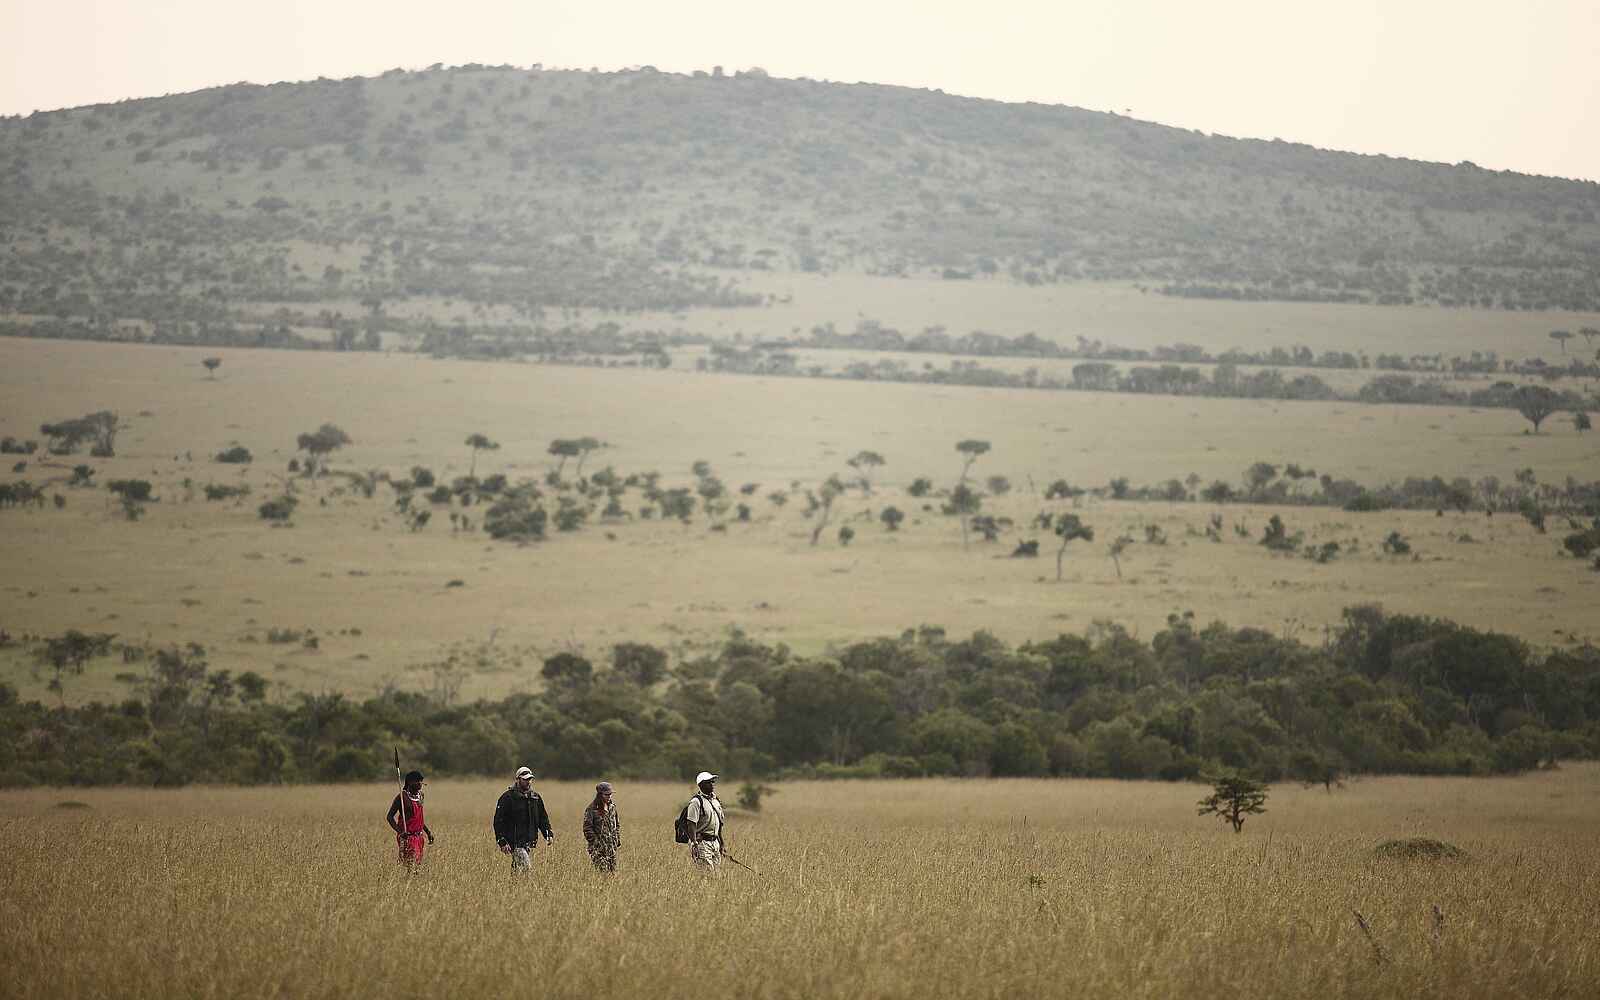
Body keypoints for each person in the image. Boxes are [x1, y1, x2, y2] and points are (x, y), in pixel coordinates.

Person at [493, 765, 553, 872]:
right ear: (518, 779)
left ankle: (513, 887)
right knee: (527, 868)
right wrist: (502, 841)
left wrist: (548, 834)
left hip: (528, 842)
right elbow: (498, 822)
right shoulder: (507, 798)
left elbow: (543, 818)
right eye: (525, 779)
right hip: (515, 842)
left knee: (518, 869)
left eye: (530, 779)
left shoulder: (535, 798)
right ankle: (527, 887)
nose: (528, 782)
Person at [386, 770, 433, 869]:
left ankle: (411, 883)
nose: (421, 783)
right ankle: (407, 882)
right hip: (407, 837)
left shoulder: (421, 796)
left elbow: (418, 818)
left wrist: (428, 832)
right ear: (410, 782)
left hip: (419, 837)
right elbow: (389, 817)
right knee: (411, 865)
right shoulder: (402, 797)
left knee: (416, 865)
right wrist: (400, 832)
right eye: (418, 781)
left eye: (421, 781)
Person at [684, 771, 726, 873]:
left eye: (712, 782)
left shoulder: (715, 800)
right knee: (707, 875)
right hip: (702, 843)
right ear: (701, 785)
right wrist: (694, 843)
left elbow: (719, 823)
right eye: (708, 782)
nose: (712, 784)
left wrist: (722, 843)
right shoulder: (696, 802)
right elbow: (691, 824)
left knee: (717, 875)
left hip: (715, 842)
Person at [581, 781, 622, 872]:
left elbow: (617, 825)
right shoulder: (591, 809)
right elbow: (587, 829)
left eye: (610, 794)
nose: (609, 796)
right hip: (598, 850)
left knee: (612, 874)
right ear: (600, 795)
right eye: (606, 794)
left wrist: (617, 840)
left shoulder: (612, 807)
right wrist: (597, 844)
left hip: (611, 848)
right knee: (603, 874)